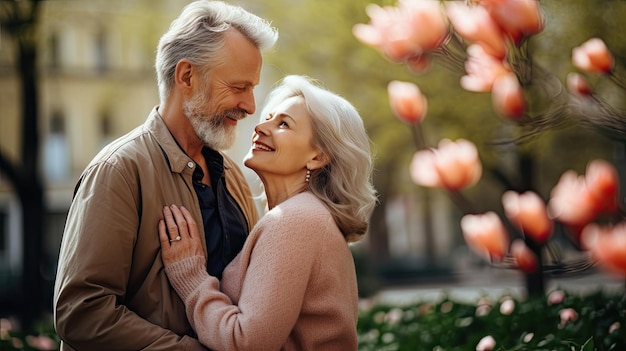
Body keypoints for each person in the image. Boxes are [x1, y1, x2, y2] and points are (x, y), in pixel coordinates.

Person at [53, 1, 278, 350]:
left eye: (252, 88)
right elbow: (81, 311)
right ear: (186, 76)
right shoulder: (118, 171)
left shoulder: (233, 175)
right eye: (238, 87)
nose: (250, 106)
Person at [158, 75, 378, 350]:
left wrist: (191, 278)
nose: (260, 127)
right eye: (268, 118)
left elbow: (246, 342)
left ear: (318, 156)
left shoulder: (294, 221)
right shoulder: (306, 217)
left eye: (283, 123)